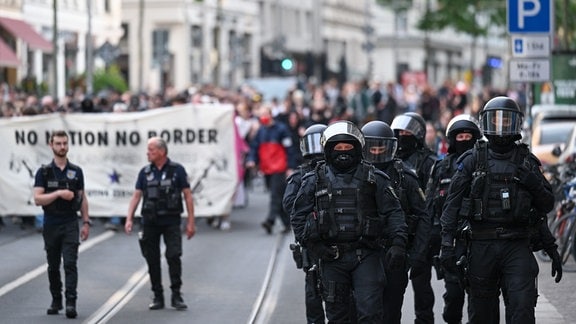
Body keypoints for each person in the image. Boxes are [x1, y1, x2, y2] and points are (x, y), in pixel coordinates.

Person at [440, 96, 562, 324]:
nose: (501, 126)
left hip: (516, 244)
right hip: (481, 244)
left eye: (507, 121)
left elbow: (544, 206)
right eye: (496, 120)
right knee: (481, 314)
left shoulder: (526, 161)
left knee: (522, 309)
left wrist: (534, 184)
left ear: (515, 124)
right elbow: (452, 205)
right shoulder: (473, 159)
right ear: (486, 123)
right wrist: (447, 245)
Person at [291, 120, 408, 323]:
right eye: (338, 148)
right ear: (328, 150)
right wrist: (314, 246)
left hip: (367, 256)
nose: (343, 152)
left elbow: (393, 212)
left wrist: (398, 243)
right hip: (331, 258)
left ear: (358, 149)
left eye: (348, 147)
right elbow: (298, 217)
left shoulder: (375, 178)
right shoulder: (314, 180)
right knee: (337, 316)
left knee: (370, 313)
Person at [361, 120, 431, 324]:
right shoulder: (355, 175)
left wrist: (417, 255)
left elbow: (424, 216)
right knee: (364, 311)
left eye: (381, 148)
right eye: (371, 148)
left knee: (391, 312)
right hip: (363, 254)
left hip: (395, 254)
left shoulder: (405, 176)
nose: (376, 153)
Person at [125, 136, 196, 311]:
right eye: (148, 150)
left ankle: (176, 294)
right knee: (152, 259)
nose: (148, 153)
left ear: (162, 152)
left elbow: (187, 196)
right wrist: (129, 218)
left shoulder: (177, 170)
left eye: (151, 150)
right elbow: (136, 196)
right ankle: (157, 295)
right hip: (150, 221)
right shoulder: (145, 172)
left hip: (171, 221)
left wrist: (191, 222)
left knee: (173, 256)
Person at [425, 114, 483, 324]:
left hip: (480, 239)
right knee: (453, 298)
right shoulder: (441, 168)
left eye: (468, 135)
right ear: (452, 139)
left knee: (479, 299)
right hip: (451, 240)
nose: (464, 140)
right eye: (460, 136)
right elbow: (430, 205)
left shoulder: (485, 165)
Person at [33, 130, 91, 318]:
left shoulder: (76, 171)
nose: (62, 147)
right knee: (53, 265)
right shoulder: (44, 172)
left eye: (65, 143)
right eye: (58, 143)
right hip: (51, 223)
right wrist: (58, 193)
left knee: (71, 264)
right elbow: (38, 199)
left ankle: (71, 302)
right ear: (51, 145)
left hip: (69, 222)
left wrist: (86, 222)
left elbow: (82, 198)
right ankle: (56, 299)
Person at [391, 111, 438, 323]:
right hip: (396, 231)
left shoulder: (429, 162)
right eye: (399, 133)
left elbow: (433, 197)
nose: (402, 136)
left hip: (420, 230)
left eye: (407, 133)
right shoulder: (390, 162)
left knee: (422, 286)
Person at [283, 123, 327, 324]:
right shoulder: (301, 175)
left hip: (339, 239)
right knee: (314, 291)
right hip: (311, 240)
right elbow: (289, 204)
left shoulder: (340, 170)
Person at [246, 106, 298, 234]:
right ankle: (286, 223)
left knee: (275, 195)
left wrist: (290, 167)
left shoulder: (281, 129)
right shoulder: (261, 131)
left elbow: (289, 149)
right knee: (277, 196)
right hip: (267, 169)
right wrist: (252, 159)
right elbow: (254, 147)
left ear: (270, 115)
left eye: (265, 114)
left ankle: (270, 221)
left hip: (279, 168)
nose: (263, 117)